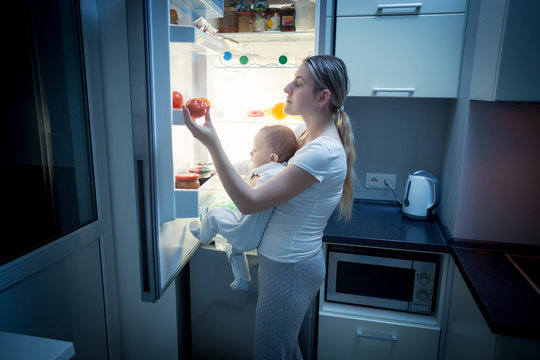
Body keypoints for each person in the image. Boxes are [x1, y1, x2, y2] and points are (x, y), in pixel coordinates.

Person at [183, 54, 356, 359]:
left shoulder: (321, 151)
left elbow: (249, 203)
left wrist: (213, 144)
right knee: (284, 350)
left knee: (271, 353)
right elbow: (265, 175)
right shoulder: (310, 139)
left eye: (299, 83)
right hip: (292, 264)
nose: (287, 86)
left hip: (289, 268)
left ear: (322, 96)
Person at [189, 124, 297, 290]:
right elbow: (238, 166)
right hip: (253, 235)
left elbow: (253, 191)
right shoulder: (267, 167)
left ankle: (202, 235)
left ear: (273, 158)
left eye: (255, 149)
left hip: (243, 230)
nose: (251, 153)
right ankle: (243, 280)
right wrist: (218, 168)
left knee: (214, 215)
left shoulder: (272, 174)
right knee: (233, 248)